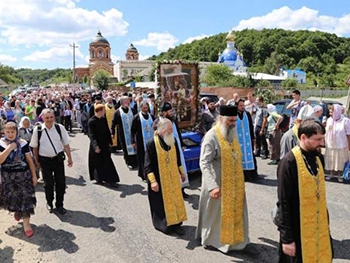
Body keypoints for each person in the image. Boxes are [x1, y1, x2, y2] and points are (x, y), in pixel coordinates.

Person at [276, 119, 332, 262]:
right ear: (303, 137)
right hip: (297, 230)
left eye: (322, 138)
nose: (322, 143)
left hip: (319, 228)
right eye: (317, 139)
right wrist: (287, 239)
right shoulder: (289, 162)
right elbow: (284, 202)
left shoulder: (318, 157)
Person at [196, 105, 250, 253]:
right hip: (217, 183)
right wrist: (212, 186)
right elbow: (204, 162)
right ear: (221, 118)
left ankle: (236, 240)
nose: (233, 123)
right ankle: (212, 241)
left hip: (235, 184)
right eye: (230, 120)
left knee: (236, 212)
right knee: (215, 215)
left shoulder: (231, 132)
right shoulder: (211, 136)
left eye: (235, 121)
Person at [144, 118, 187, 235]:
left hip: (172, 178)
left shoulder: (173, 140)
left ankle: (177, 224)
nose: (172, 131)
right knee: (161, 204)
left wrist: (181, 173)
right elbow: (148, 165)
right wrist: (153, 181)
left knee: (175, 200)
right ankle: (165, 225)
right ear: (162, 130)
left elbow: (177, 159)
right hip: (159, 179)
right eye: (169, 129)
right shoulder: (151, 143)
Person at [30, 109, 73, 215]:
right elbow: (35, 147)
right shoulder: (38, 130)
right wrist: (37, 161)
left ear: (54, 117)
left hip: (58, 160)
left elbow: (66, 144)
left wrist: (70, 158)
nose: (49, 120)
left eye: (51, 117)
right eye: (47, 118)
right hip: (44, 161)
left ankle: (60, 204)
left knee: (61, 183)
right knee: (48, 184)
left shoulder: (60, 128)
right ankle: (49, 203)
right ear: (43, 118)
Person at [0, 122, 37, 237]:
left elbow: (29, 160)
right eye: (8, 132)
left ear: (17, 132)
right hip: (8, 177)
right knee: (13, 198)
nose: (10, 134)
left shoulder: (23, 143)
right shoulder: (1, 143)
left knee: (26, 198)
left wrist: (34, 175)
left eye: (13, 132)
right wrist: (9, 148)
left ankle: (27, 224)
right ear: (4, 132)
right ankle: (18, 211)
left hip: (23, 176)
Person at [153, 102, 190, 197]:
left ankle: (182, 189)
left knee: (181, 167)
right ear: (164, 112)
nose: (172, 112)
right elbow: (156, 136)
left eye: (171, 110)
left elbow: (178, 133)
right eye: (170, 111)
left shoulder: (173, 120)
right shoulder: (158, 121)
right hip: (166, 149)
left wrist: (181, 144)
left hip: (176, 147)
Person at [88, 104, 119, 186]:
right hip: (97, 145)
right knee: (98, 163)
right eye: (103, 110)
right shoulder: (91, 121)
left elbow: (107, 131)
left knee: (107, 162)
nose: (105, 112)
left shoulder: (103, 119)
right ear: (100, 111)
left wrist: (110, 142)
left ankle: (111, 180)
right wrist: (95, 146)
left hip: (104, 144)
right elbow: (92, 135)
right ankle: (99, 178)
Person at [324, 104, 350, 182]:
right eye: (330, 112)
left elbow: (348, 134)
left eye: (332, 112)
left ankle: (340, 175)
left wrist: (349, 145)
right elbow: (327, 131)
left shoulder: (345, 120)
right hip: (331, 144)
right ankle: (331, 174)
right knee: (331, 159)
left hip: (341, 144)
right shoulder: (329, 120)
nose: (330, 114)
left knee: (340, 160)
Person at [111, 96, 138, 169]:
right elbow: (113, 123)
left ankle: (135, 162)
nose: (128, 103)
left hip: (133, 133)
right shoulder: (117, 112)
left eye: (128, 101)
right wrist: (112, 132)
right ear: (122, 102)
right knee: (126, 149)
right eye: (126, 101)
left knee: (135, 147)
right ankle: (129, 162)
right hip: (123, 134)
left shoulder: (132, 110)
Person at [131, 101, 154, 181]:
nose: (145, 109)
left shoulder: (151, 116)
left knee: (150, 158)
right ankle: (143, 174)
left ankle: (151, 174)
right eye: (144, 108)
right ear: (140, 108)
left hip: (151, 141)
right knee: (142, 158)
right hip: (140, 141)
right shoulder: (136, 117)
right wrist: (133, 141)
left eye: (146, 108)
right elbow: (132, 130)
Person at [236, 99, 258, 180]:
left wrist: (253, 138)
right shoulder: (235, 115)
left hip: (247, 140)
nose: (242, 107)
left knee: (250, 156)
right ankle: (243, 176)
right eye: (240, 106)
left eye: (243, 105)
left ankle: (253, 174)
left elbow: (251, 127)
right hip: (239, 140)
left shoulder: (247, 114)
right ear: (237, 106)